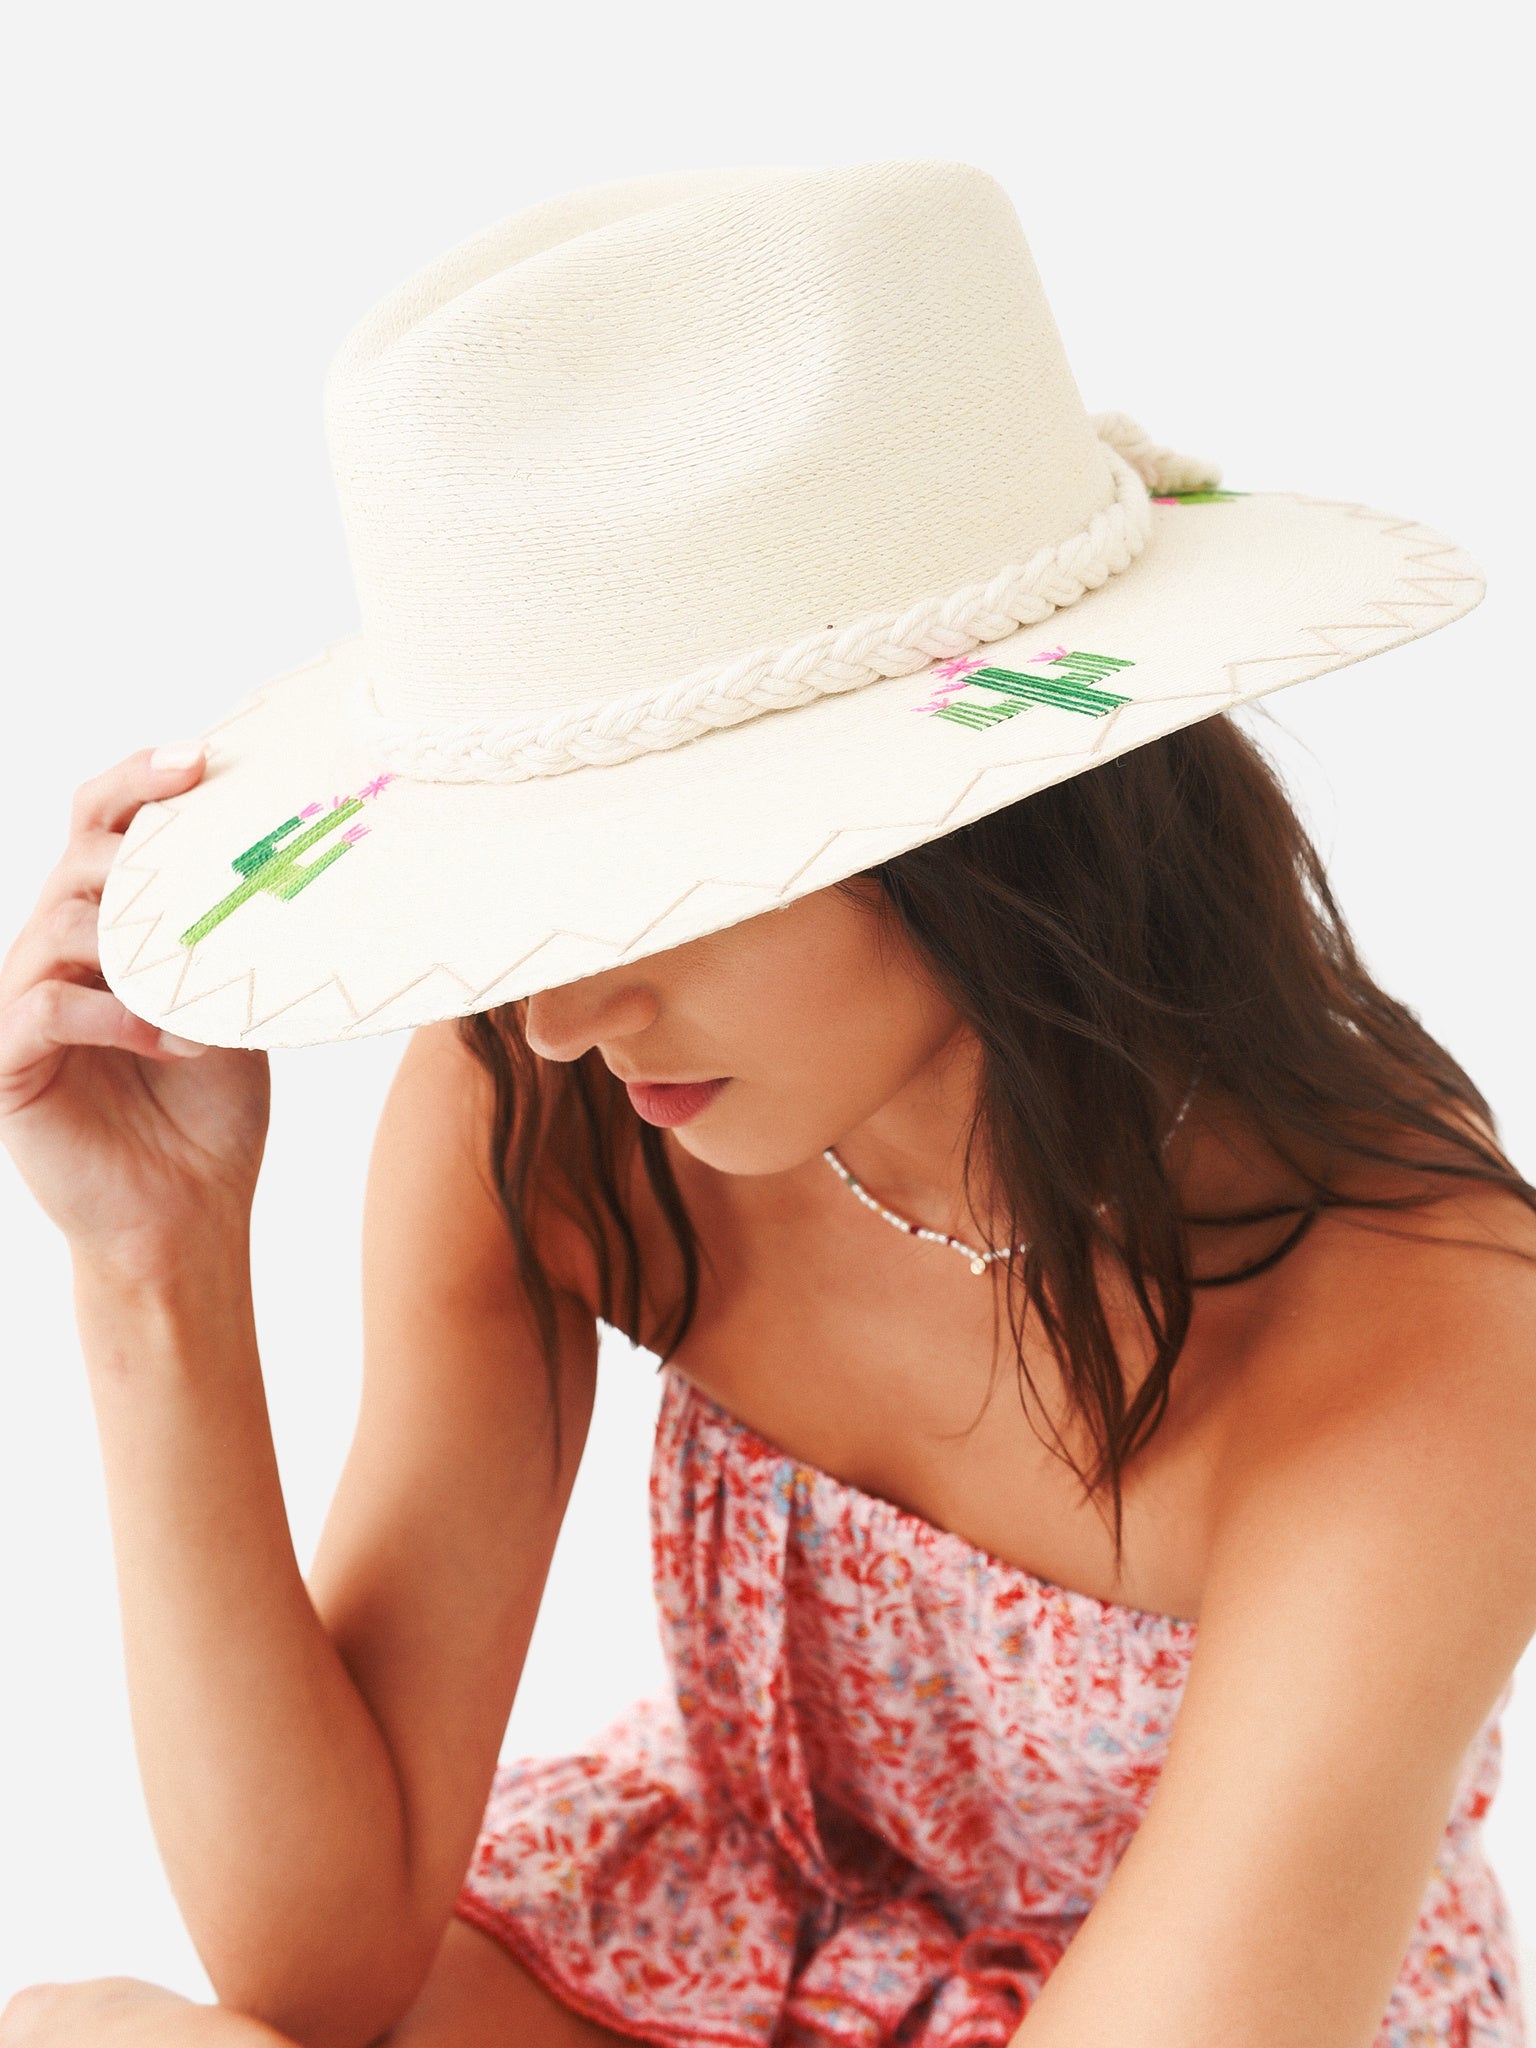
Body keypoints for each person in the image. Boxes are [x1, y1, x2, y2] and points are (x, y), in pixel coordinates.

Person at [1, 161, 1531, 2048]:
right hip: (751, 1949)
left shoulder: (1425, 1331)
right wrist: (150, 1269)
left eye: (655, 872)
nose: (558, 1008)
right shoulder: (558, 1105)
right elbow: (322, 1962)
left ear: (982, 819)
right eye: (531, 882)